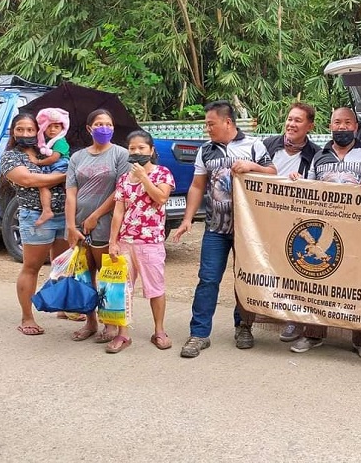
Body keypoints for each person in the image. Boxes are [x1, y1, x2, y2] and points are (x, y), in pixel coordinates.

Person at [172, 101, 276, 358]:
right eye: (206, 124)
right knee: (208, 279)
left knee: (244, 278)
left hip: (248, 230)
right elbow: (197, 186)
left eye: (211, 123)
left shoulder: (253, 145)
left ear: (227, 122)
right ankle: (199, 333)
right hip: (215, 228)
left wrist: (253, 167)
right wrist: (187, 219)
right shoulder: (205, 151)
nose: (207, 129)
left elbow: (272, 173)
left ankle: (243, 326)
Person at [289, 107, 361, 360]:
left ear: (356, 126)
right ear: (330, 126)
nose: (342, 127)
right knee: (318, 279)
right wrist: (297, 182)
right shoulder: (319, 156)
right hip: (326, 231)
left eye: (347, 123)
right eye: (337, 123)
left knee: (359, 282)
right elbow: (310, 188)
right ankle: (313, 333)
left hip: (360, 232)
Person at [0, 113, 68, 336]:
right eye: (21, 129)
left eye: (30, 130)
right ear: (13, 132)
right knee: (32, 267)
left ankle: (63, 308)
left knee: (63, 265)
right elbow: (29, 180)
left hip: (64, 214)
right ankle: (27, 317)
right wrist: (66, 175)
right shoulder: (10, 157)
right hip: (35, 217)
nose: (26, 134)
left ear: (38, 130)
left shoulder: (48, 149)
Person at [65, 109, 131, 343]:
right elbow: (71, 193)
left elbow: (120, 191)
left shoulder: (121, 155)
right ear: (89, 128)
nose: (104, 128)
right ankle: (90, 322)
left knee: (108, 277)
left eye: (108, 124)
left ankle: (110, 324)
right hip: (78, 224)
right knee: (83, 275)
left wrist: (95, 216)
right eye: (99, 124)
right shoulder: (77, 157)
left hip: (105, 223)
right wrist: (71, 225)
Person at [107, 130, 176, 354]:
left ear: (152, 150)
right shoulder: (124, 180)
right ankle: (123, 334)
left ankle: (159, 330)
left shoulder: (162, 174)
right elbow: (118, 211)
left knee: (155, 288)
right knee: (122, 290)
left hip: (151, 243)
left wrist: (145, 177)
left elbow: (161, 198)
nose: (137, 152)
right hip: (126, 241)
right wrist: (112, 241)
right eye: (133, 149)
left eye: (142, 148)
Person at [262, 102, 320, 343]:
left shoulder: (316, 154)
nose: (291, 124)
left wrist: (303, 181)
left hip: (296, 222)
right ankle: (257, 314)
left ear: (309, 126)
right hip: (264, 217)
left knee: (295, 270)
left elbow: (319, 187)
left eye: (298, 120)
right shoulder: (267, 145)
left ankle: (293, 320)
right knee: (264, 266)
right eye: (289, 119)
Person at [31, 107, 71, 227]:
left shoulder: (61, 142)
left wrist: (38, 162)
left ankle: (47, 211)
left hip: (61, 168)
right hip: (53, 168)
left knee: (43, 185)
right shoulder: (49, 142)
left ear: (62, 129)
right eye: (49, 126)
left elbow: (54, 158)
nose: (52, 129)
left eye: (56, 127)